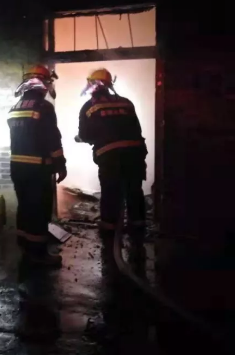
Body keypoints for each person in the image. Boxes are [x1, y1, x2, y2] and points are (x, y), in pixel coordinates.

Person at [8, 65, 67, 267]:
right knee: (39, 210)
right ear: (44, 84)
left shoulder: (15, 107)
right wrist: (60, 164)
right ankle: (39, 254)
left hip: (17, 167)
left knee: (25, 206)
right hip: (38, 168)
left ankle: (25, 246)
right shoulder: (44, 107)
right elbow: (52, 139)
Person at [76, 68, 147, 234]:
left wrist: (80, 138)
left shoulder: (89, 106)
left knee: (110, 191)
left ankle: (109, 228)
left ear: (92, 85)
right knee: (134, 190)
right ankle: (138, 226)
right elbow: (136, 129)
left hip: (110, 157)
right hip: (135, 154)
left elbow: (85, 135)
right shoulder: (126, 103)